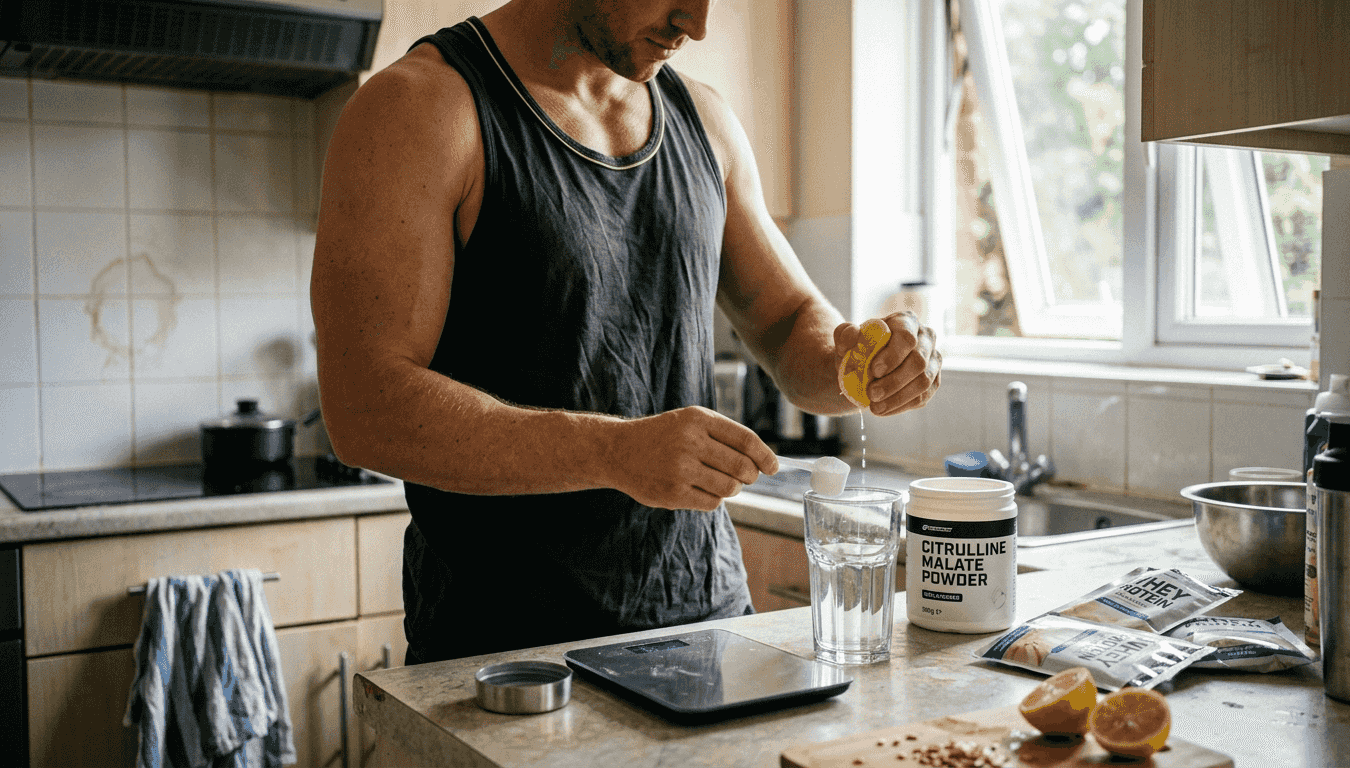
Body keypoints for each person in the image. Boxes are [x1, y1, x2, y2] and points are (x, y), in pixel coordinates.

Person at [311, 0, 942, 664]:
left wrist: (866, 366)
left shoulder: (706, 119)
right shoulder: (420, 108)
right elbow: (364, 409)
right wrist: (612, 453)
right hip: (505, 660)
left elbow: (789, 324)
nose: (695, 24)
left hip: (709, 628)